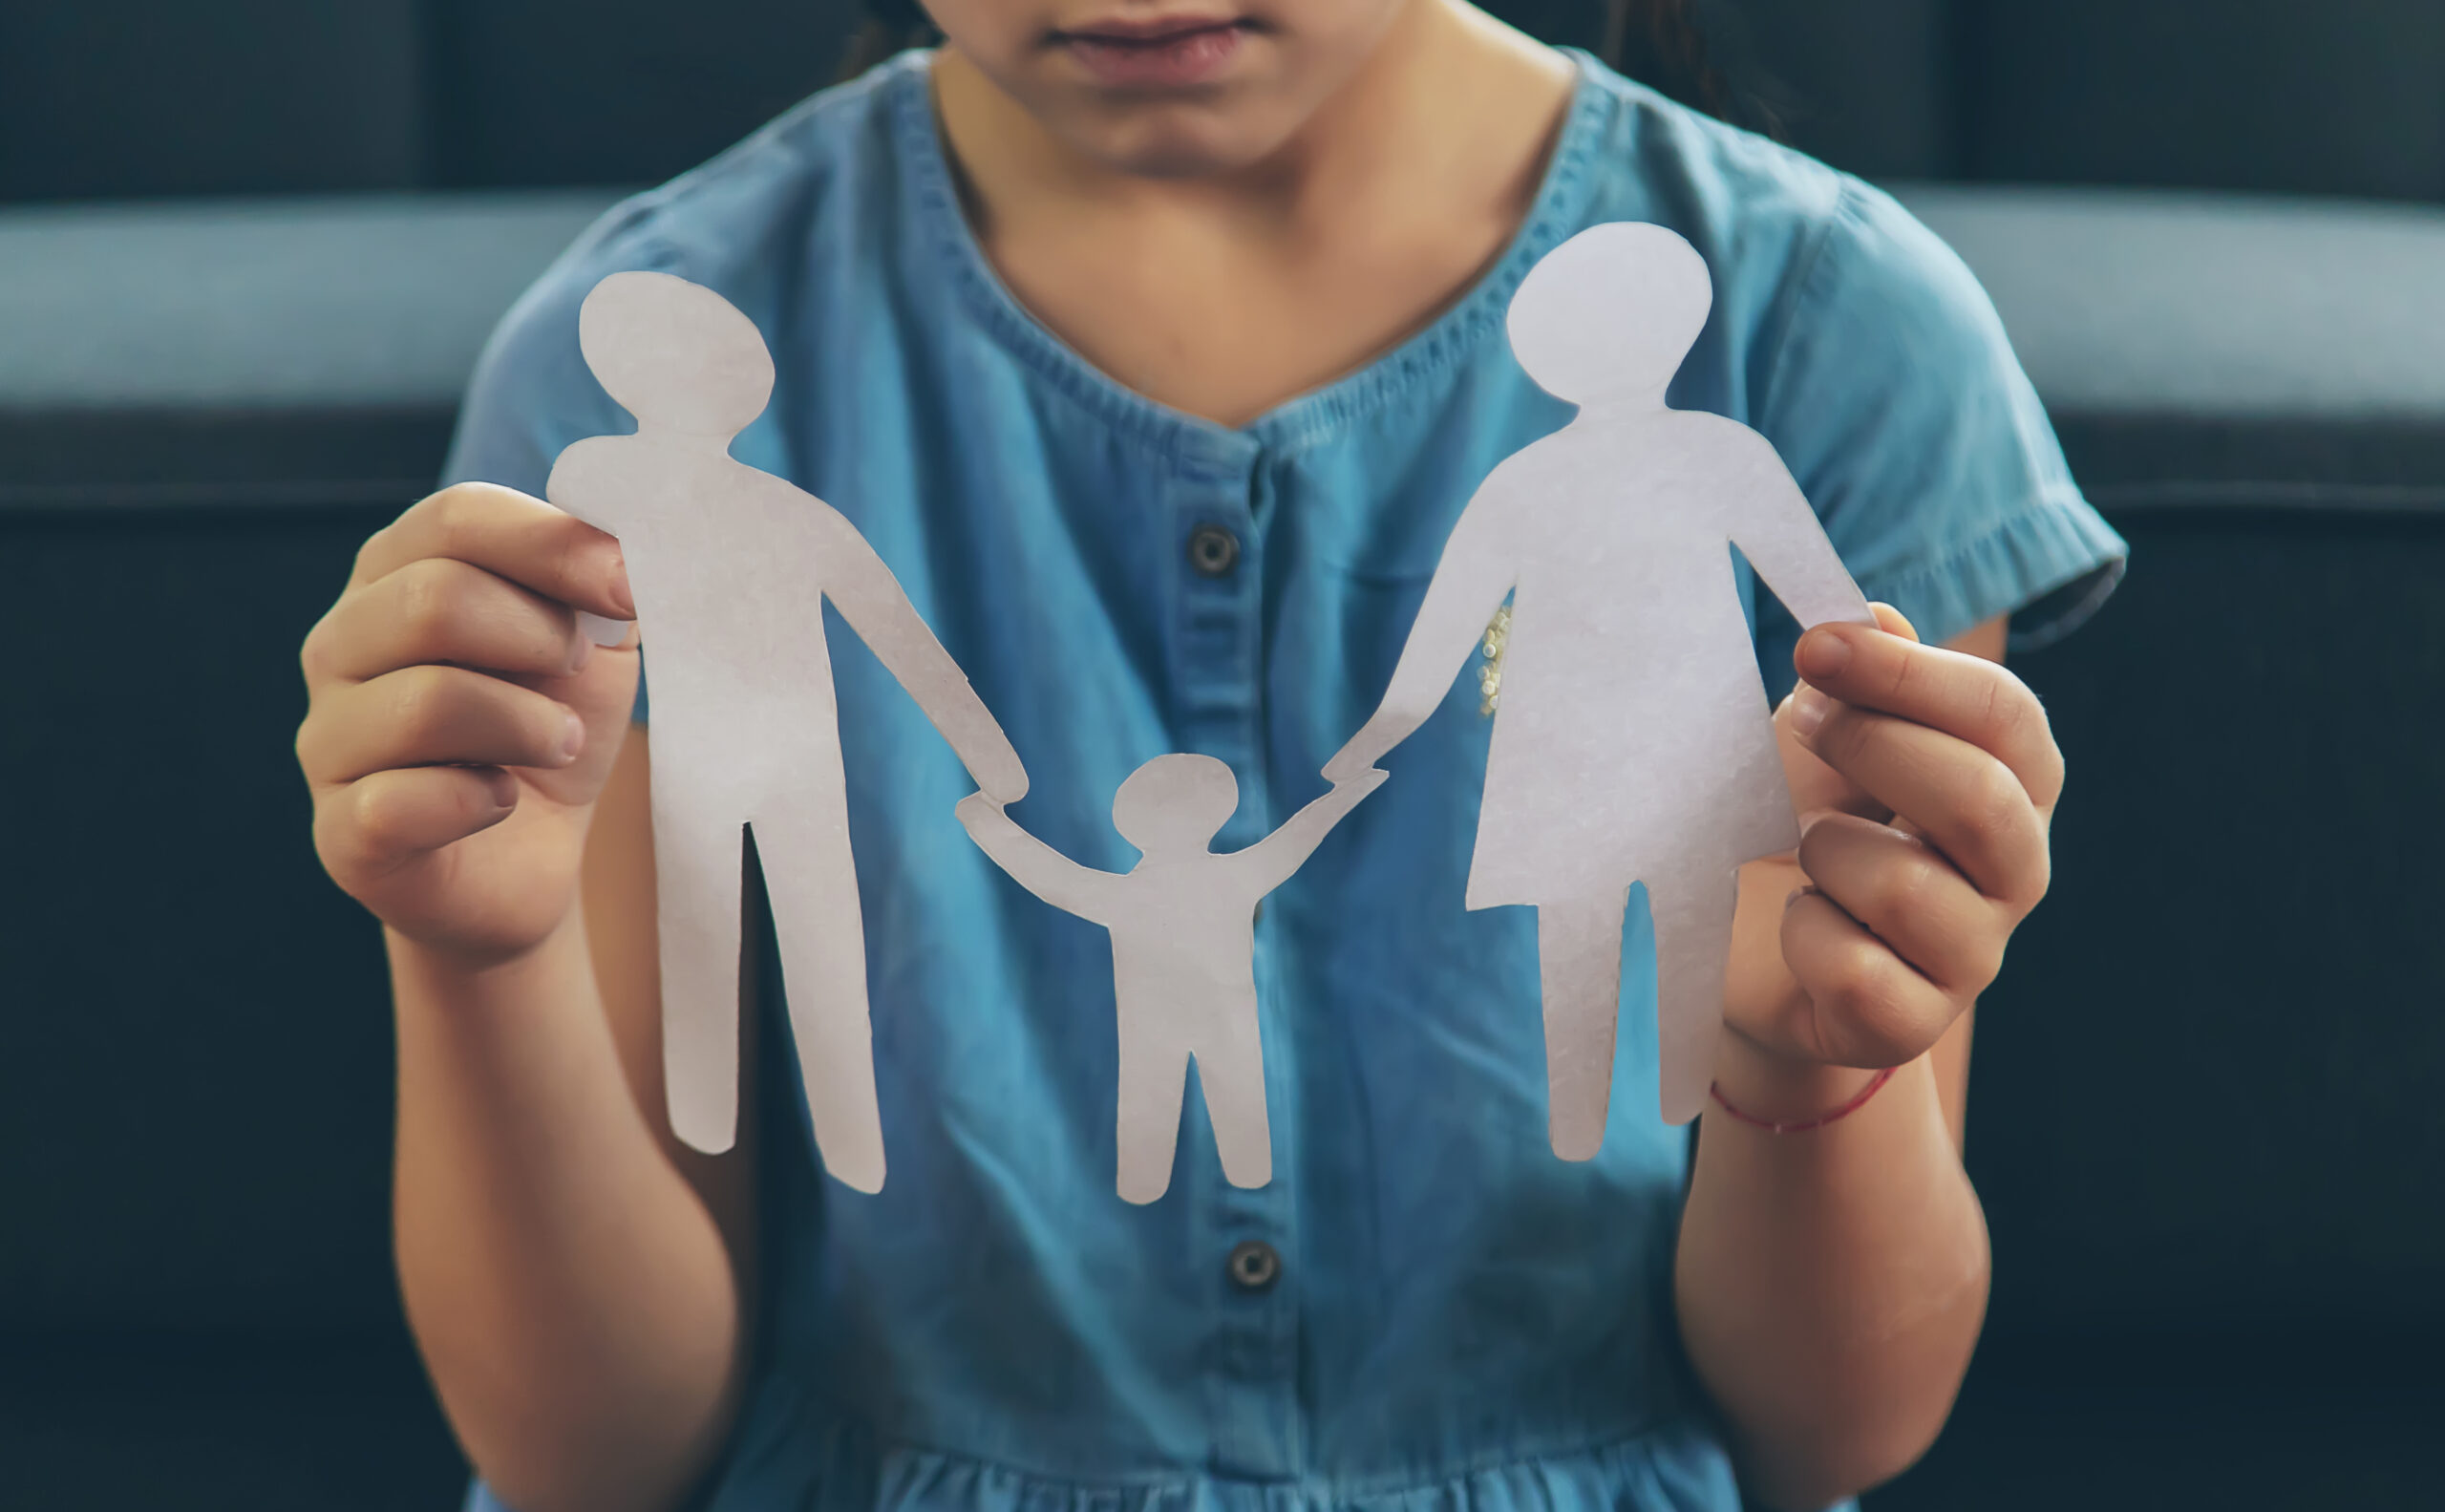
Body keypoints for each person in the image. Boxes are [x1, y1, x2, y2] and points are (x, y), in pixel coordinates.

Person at [291, 5, 2128, 1512]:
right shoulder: (603, 385)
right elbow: (589, 1456)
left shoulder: (1834, 342)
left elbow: (1836, 1425)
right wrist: (480, 952)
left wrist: (1799, 1066)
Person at [1326, 221, 1874, 1147]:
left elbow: (1442, 633)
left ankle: (1580, 1128)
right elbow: (1836, 616)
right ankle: (1665, 1104)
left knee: (1578, 941)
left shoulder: (1524, 479)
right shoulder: (1718, 454)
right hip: (1690, 748)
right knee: (1695, 932)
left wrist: (1369, 742)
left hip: (1573, 754)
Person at [549, 269, 1030, 1188]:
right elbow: (899, 633)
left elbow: (896, 630)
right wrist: (990, 755)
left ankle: (814, 1133)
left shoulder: (740, 502)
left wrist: (989, 754)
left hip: (772, 754)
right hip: (738, 751)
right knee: (740, 935)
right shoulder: (612, 478)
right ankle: (752, 1130)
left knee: (785, 940)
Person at [956, 757, 1385, 1203]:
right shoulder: (1236, 875)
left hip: (1153, 1026)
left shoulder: (1124, 894)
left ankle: (1148, 1185)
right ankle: (1245, 1174)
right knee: (1234, 1100)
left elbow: (1048, 875)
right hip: (1224, 1019)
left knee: (1151, 1104)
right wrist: (1345, 794)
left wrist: (984, 823)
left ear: (1128, 822)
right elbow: (1301, 836)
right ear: (1218, 811)